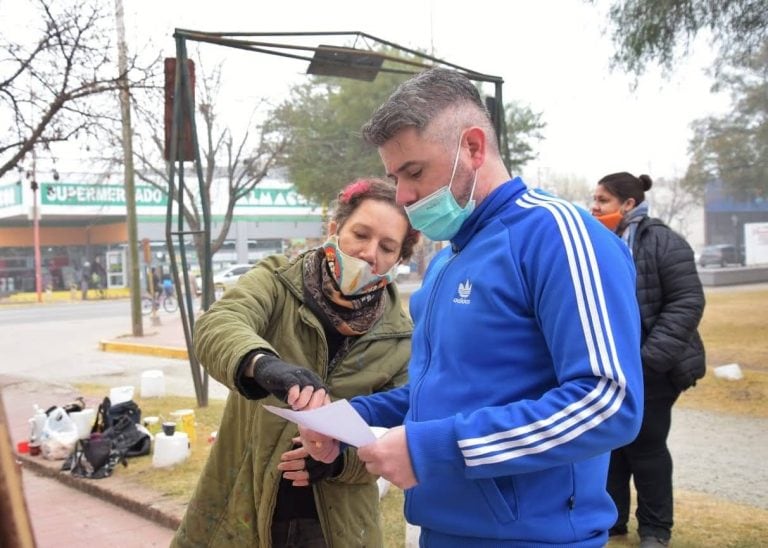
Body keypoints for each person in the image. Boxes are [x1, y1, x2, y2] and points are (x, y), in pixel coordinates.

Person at [300, 67, 645, 547]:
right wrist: (349, 418)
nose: (403, 196)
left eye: (414, 172)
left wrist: (433, 448)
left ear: (473, 148)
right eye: (394, 177)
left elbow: (609, 403)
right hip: (442, 527)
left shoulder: (558, 236)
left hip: (533, 536)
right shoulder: (447, 262)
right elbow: (442, 393)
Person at [171, 178, 420, 547]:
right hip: (246, 503)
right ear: (334, 230)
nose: (369, 253)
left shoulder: (399, 337)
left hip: (339, 526)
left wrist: (337, 461)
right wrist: (262, 364)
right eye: (360, 235)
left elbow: (392, 432)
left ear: (398, 259)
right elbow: (217, 325)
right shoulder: (276, 281)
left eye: (386, 247)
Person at [591, 172, 706, 548]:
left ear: (628, 204)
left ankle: (656, 529)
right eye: (594, 199)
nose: (595, 207)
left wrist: (651, 360)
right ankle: (613, 521)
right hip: (615, 365)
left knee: (647, 446)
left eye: (603, 200)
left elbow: (687, 302)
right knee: (614, 444)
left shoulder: (663, 241)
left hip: (654, 366)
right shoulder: (598, 243)